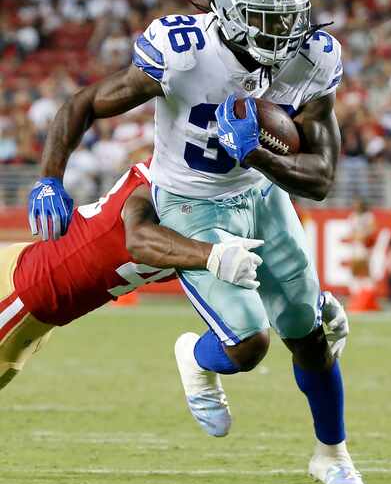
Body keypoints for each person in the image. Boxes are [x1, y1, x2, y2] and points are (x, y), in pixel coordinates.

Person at [28, 0, 360, 484]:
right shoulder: (184, 51)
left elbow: (321, 179)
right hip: (190, 201)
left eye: (289, 17)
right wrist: (48, 177)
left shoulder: (314, 55)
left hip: (261, 194)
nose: (282, 34)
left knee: (307, 334)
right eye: (263, 18)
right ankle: (197, 356)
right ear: (230, 9)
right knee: (249, 344)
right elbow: (84, 103)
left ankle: (332, 453)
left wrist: (255, 153)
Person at [3, 162, 263, 390]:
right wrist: (214, 256)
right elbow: (138, 238)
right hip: (19, 293)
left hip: (38, 309)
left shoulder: (211, 211)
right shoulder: (157, 189)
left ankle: (196, 360)